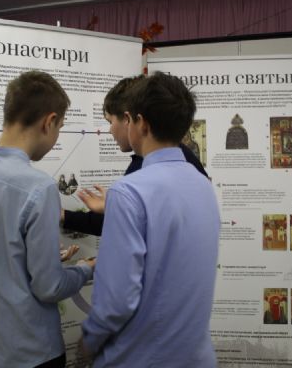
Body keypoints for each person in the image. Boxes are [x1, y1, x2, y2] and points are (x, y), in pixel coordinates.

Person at [0, 71, 95, 368]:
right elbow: (49, 288)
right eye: (60, 128)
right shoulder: (38, 187)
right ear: (49, 122)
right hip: (30, 353)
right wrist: (84, 269)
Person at [81, 72, 220, 367]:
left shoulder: (129, 192)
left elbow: (116, 301)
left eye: (125, 119)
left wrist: (89, 340)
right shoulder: (203, 185)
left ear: (139, 123)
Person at [61, 75, 208, 236]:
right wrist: (116, 206)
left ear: (130, 119)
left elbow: (124, 234)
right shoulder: (197, 176)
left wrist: (119, 203)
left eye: (110, 122)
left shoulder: (136, 181)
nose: (110, 130)